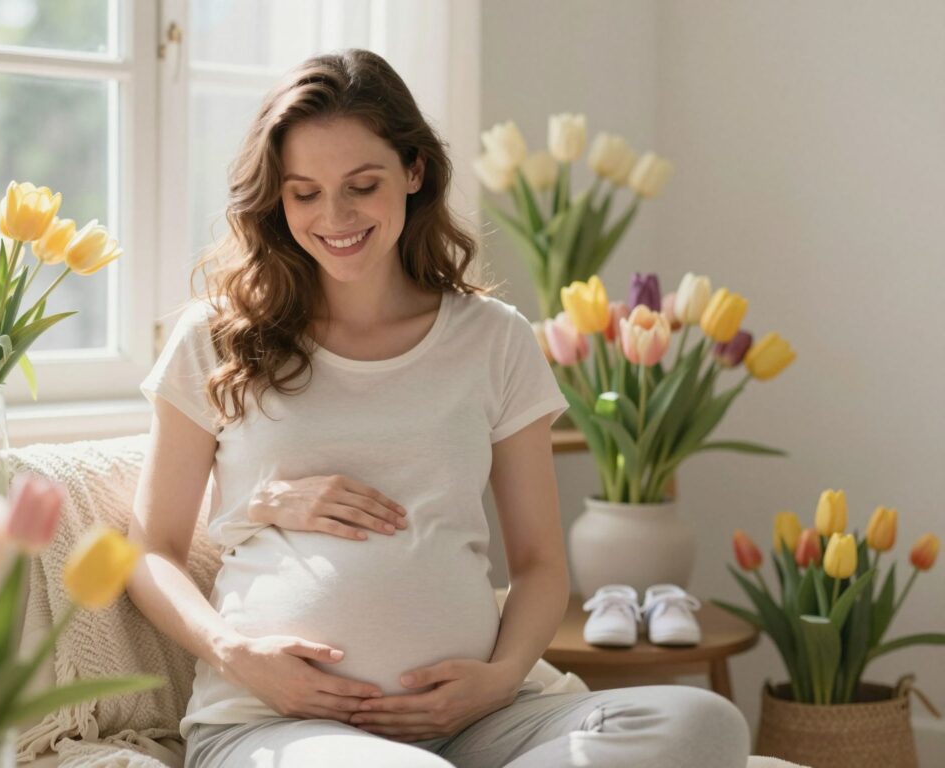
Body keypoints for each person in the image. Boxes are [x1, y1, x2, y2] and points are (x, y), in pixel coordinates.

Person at [127, 48, 750, 768]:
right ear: (276, 197)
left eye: (362, 185)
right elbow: (152, 551)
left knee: (705, 725)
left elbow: (541, 562)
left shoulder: (493, 339)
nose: (334, 216)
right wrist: (236, 654)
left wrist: (498, 680)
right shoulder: (217, 336)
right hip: (275, 722)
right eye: (304, 193)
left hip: (482, 722)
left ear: (414, 171)